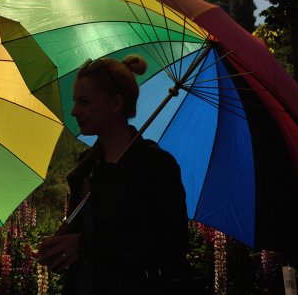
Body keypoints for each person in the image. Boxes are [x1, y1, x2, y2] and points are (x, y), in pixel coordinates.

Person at [37, 55, 190, 294]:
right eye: (75, 101)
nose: (75, 111)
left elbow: (171, 245)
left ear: (116, 103)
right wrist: (62, 248)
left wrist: (86, 245)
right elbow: (85, 234)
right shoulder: (87, 165)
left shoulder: (155, 165)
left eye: (85, 102)